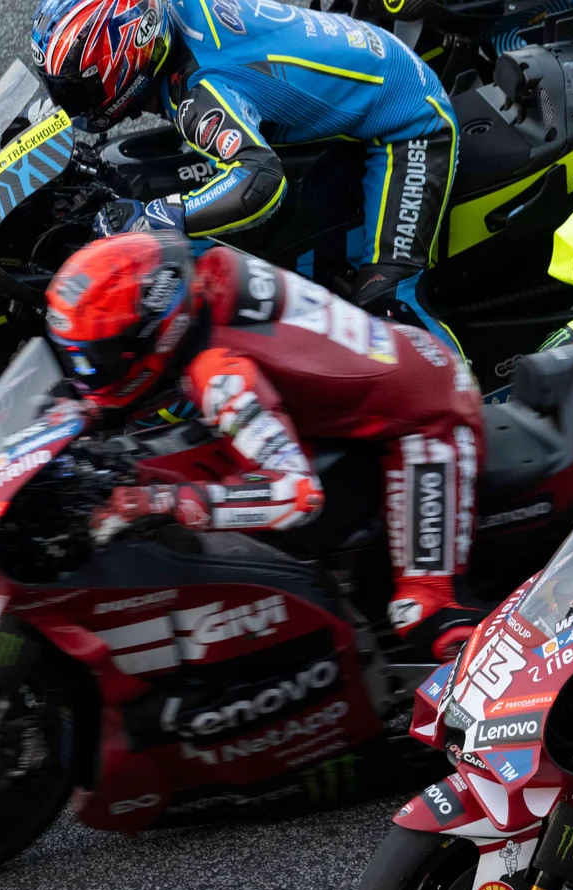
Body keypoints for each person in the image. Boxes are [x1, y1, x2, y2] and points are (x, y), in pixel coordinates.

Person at [43, 231, 485, 661]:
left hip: (429, 418)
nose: (84, 373)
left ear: (154, 335)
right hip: (346, 394)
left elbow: (296, 497)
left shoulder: (219, 374)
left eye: (93, 360)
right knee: (147, 466)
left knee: (425, 615)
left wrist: (160, 501)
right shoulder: (205, 271)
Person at [30, 0, 460, 346]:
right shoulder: (171, 12)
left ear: (124, 61)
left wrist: (155, 218)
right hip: (361, 81)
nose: (71, 102)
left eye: (77, 89)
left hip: (410, 120)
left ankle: (468, 415)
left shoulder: (200, 91)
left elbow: (260, 181)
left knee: (386, 303)